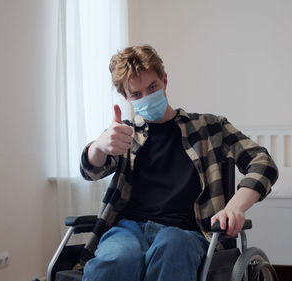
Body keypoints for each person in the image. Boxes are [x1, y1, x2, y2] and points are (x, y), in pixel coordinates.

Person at [79, 45, 278, 281]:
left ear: (164, 80)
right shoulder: (124, 134)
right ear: (126, 98)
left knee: (171, 249)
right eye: (136, 94)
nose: (146, 97)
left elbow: (262, 161)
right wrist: (98, 146)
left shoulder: (210, 128)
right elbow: (90, 171)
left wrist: (235, 207)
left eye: (152, 87)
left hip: (186, 232)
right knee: (117, 259)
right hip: (128, 228)